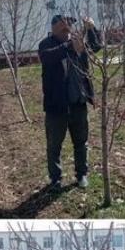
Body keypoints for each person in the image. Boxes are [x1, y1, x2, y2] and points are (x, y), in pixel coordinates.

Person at [38, 15, 102, 190]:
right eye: (63, 25)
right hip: (56, 106)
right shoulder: (46, 44)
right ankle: (55, 179)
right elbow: (48, 57)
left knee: (81, 142)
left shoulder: (78, 43)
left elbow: (96, 46)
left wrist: (91, 29)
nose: (67, 28)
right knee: (54, 146)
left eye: (70, 25)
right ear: (53, 28)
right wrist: (69, 46)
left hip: (78, 103)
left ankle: (82, 175)